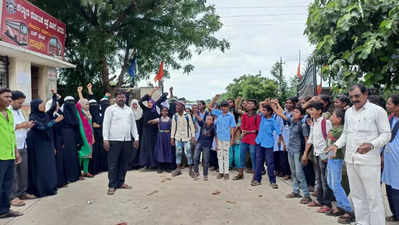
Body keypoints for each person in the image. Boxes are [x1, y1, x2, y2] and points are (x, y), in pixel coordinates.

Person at [328, 84, 391, 225]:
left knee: (373, 197)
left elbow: (386, 134)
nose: (354, 99)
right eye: (351, 97)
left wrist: (371, 144)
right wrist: (336, 145)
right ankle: (362, 222)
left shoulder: (377, 111)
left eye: (357, 96)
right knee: (357, 195)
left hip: (368, 161)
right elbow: (346, 134)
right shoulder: (349, 112)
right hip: (351, 160)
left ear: (365, 94)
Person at [271, 101, 311, 204]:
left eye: (297, 112)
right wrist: (274, 107)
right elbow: (281, 114)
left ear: (301, 115)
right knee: (293, 172)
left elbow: (307, 140)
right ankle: (295, 191)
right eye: (294, 111)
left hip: (298, 151)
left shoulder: (303, 125)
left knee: (299, 173)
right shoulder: (292, 121)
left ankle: (306, 195)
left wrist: (305, 153)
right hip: (291, 149)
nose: (294, 113)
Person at [27, 91, 63, 197]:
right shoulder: (32, 117)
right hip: (37, 145)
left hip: (47, 143)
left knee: (49, 166)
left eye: (43, 104)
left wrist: (54, 98)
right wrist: (55, 121)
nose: (43, 106)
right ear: (35, 106)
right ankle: (40, 189)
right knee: (40, 167)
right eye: (41, 105)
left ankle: (50, 188)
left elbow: (52, 108)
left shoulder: (45, 115)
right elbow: (42, 127)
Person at [103, 89, 139, 195]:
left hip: (127, 140)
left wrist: (136, 138)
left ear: (125, 98)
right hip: (114, 140)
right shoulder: (110, 109)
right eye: (119, 97)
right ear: (115, 98)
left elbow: (133, 125)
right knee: (113, 164)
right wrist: (105, 139)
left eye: (123, 97)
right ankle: (112, 185)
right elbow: (105, 125)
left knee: (124, 163)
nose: (121, 99)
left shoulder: (129, 110)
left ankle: (121, 182)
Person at [302, 102, 334, 213]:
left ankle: (327, 204)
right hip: (316, 153)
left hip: (323, 155)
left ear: (320, 111)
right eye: (309, 110)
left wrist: (327, 155)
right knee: (318, 179)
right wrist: (305, 153)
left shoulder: (326, 122)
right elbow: (310, 139)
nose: (310, 112)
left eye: (312, 109)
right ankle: (320, 201)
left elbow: (331, 140)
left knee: (325, 180)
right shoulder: (314, 123)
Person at [324, 108, 354, 223]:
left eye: (333, 115)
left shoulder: (340, 130)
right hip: (331, 158)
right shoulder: (334, 128)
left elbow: (331, 136)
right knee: (330, 183)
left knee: (336, 184)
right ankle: (341, 205)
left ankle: (348, 209)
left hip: (338, 159)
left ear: (340, 119)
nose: (331, 117)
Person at [9, 91, 36, 207]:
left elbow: (21, 125)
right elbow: (9, 127)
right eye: (19, 103)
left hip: (23, 144)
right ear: (13, 101)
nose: (21, 105)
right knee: (13, 174)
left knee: (23, 171)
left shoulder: (19, 111)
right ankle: (12, 196)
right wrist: (23, 125)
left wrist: (28, 125)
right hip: (13, 146)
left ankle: (22, 192)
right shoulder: (7, 111)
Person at [0, 88, 22, 218]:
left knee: (7, 185)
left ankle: (4, 210)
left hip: (9, 154)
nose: (9, 99)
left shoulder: (9, 113)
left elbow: (11, 134)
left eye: (10, 97)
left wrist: (16, 152)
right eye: (6, 96)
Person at [252, 103, 281, 188]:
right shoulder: (261, 117)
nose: (262, 111)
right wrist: (265, 103)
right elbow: (260, 105)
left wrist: (280, 141)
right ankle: (257, 180)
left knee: (270, 163)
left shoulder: (273, 121)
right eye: (262, 110)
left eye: (264, 110)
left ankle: (272, 181)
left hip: (268, 144)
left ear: (269, 112)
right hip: (259, 142)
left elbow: (279, 132)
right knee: (258, 162)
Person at [138, 88, 165, 170]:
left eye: (151, 103)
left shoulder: (156, 111)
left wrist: (155, 121)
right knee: (145, 148)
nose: (149, 104)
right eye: (148, 102)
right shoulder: (145, 109)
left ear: (153, 104)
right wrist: (151, 93)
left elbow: (161, 118)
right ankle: (146, 164)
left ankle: (154, 165)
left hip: (153, 132)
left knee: (153, 147)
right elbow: (140, 102)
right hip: (146, 132)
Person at [234, 99, 260, 181]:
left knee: (253, 156)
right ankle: (240, 173)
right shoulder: (244, 116)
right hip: (244, 138)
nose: (248, 105)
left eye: (251, 103)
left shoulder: (257, 116)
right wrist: (245, 130)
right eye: (248, 103)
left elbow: (257, 129)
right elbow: (242, 126)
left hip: (253, 139)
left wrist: (247, 131)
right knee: (242, 156)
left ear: (255, 106)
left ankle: (255, 176)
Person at [382, 95, 399, 223]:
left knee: (396, 188)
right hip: (389, 159)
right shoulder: (390, 118)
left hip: (397, 159)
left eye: (389, 104)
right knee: (389, 187)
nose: (387, 106)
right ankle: (394, 213)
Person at [211, 101, 236, 180]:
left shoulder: (231, 116)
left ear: (228, 107)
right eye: (222, 107)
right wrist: (215, 98)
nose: (224, 108)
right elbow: (210, 108)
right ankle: (221, 172)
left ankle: (226, 173)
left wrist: (232, 139)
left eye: (226, 107)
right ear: (221, 107)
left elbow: (232, 128)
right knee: (219, 155)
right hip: (218, 138)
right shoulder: (219, 114)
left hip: (226, 138)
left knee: (226, 155)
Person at [171, 100, 196, 177]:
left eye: (178, 106)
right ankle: (178, 170)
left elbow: (191, 126)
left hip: (186, 138)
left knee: (188, 153)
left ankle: (190, 170)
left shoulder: (187, 116)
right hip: (178, 138)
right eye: (176, 106)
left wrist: (193, 136)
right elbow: (173, 128)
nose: (177, 107)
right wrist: (172, 138)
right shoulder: (174, 116)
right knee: (178, 153)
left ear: (183, 107)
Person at [61, 96, 83, 183]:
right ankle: (68, 176)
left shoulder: (74, 112)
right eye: (69, 102)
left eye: (72, 102)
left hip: (72, 135)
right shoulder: (62, 111)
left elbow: (76, 124)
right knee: (67, 156)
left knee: (74, 155)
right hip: (65, 135)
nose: (71, 105)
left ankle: (76, 175)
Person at [76, 87, 95, 178]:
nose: (88, 106)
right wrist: (80, 92)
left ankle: (86, 172)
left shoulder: (88, 113)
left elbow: (91, 126)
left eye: (88, 104)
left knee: (88, 154)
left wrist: (93, 137)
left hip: (90, 136)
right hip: (83, 135)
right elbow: (80, 104)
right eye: (86, 104)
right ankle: (79, 172)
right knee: (81, 154)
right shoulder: (80, 112)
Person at [193, 114, 216, 181]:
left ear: (212, 121)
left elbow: (216, 136)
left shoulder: (213, 127)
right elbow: (199, 118)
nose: (208, 120)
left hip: (207, 145)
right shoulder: (203, 124)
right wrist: (195, 113)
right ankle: (196, 172)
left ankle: (205, 175)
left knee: (205, 160)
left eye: (210, 119)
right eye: (207, 119)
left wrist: (216, 145)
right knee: (195, 158)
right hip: (199, 143)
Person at [154, 107, 174, 173]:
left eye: (165, 111)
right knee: (160, 150)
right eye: (163, 111)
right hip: (160, 136)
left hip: (167, 136)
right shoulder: (159, 119)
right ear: (161, 112)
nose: (164, 112)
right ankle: (160, 167)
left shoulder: (170, 120)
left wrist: (172, 138)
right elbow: (150, 122)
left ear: (167, 112)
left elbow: (172, 129)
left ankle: (167, 167)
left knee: (168, 150)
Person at [128, 99, 143, 169]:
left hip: (140, 132)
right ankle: (131, 164)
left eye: (136, 104)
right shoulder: (130, 112)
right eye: (133, 104)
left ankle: (138, 164)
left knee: (139, 148)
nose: (135, 105)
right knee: (133, 148)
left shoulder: (141, 111)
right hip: (132, 133)